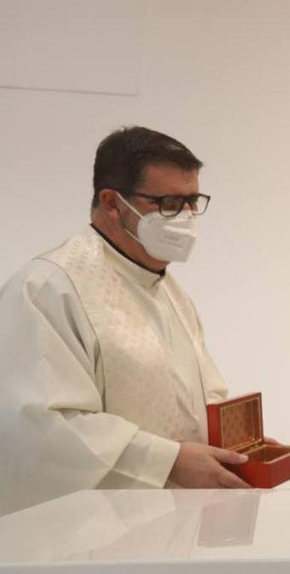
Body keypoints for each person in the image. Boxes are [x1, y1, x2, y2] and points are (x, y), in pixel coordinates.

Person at [0, 126, 250, 516]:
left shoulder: (170, 292)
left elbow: (201, 396)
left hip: (168, 523)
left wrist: (237, 446)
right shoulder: (49, 288)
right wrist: (169, 461)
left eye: (192, 201)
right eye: (168, 202)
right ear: (112, 203)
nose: (185, 218)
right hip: (81, 540)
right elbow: (45, 430)